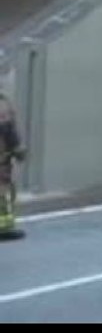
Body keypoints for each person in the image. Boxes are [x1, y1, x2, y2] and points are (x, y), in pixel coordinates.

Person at [0, 90, 26, 241]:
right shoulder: (3, 105)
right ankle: (4, 228)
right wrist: (19, 152)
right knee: (3, 194)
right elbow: (9, 132)